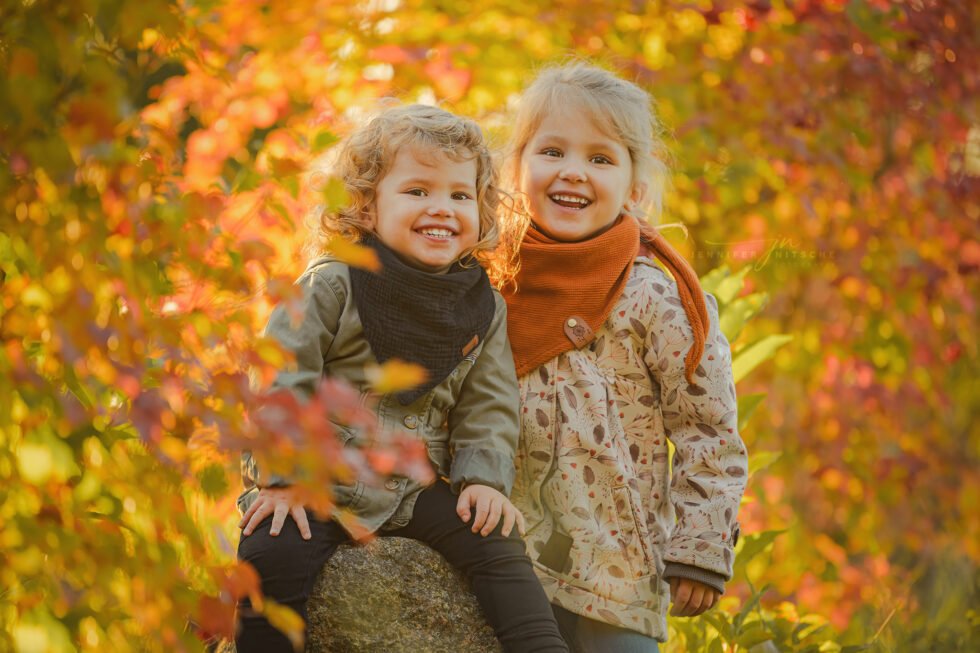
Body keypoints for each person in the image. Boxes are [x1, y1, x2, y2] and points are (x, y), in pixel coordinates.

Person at [235, 103, 568, 652]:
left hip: (413, 487)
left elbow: (489, 405)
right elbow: (280, 376)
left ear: (481, 210)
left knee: (499, 545)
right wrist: (283, 476)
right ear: (366, 207)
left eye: (460, 196)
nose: (442, 208)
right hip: (321, 479)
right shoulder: (334, 281)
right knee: (271, 554)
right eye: (417, 191)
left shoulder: (481, 305)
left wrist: (483, 482)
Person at [494, 63, 748, 652]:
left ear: (635, 186)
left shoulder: (656, 296)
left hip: (616, 567)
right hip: (500, 560)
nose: (573, 172)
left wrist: (700, 546)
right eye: (552, 150)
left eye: (601, 159)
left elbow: (707, 428)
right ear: (518, 167)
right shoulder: (491, 281)